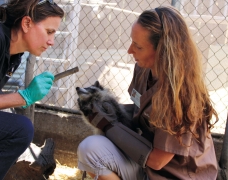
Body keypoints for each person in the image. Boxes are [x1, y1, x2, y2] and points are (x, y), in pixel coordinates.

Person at [77, 6, 219, 180]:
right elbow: (140, 109)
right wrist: (112, 110)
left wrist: (108, 126)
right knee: (90, 149)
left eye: (138, 46)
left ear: (162, 51)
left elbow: (158, 161)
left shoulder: (180, 95)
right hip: (147, 163)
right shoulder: (144, 69)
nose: (130, 50)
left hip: (176, 175)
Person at [0, 0, 64, 179]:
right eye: (49, 32)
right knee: (20, 129)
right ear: (26, 23)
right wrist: (24, 97)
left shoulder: (13, 53)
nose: (51, 42)